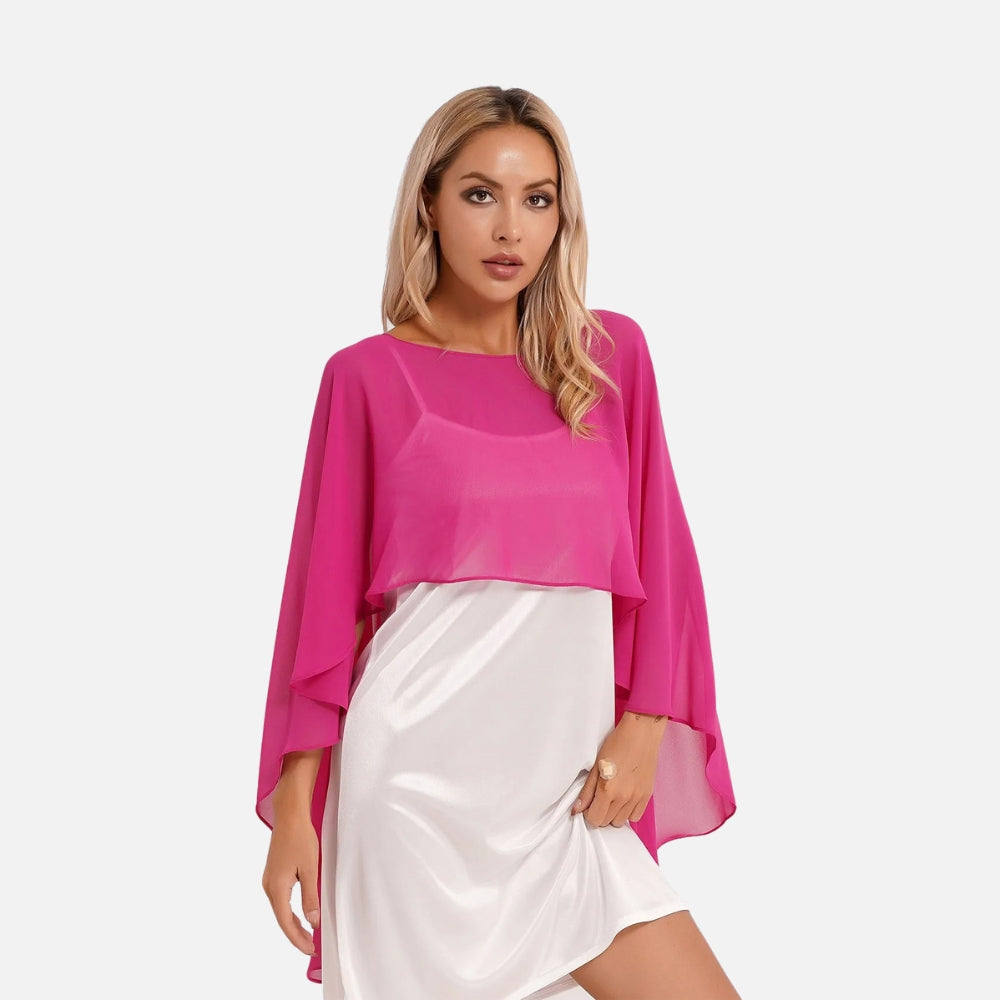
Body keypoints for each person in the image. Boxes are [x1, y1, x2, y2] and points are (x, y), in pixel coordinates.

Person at [257, 84, 740, 1000]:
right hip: (413, 802)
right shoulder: (366, 378)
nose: (510, 228)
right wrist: (294, 808)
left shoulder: (608, 362)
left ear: (562, 216)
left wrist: (646, 721)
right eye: (480, 194)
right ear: (429, 204)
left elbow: (666, 563)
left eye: (537, 198)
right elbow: (322, 609)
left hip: (566, 799)